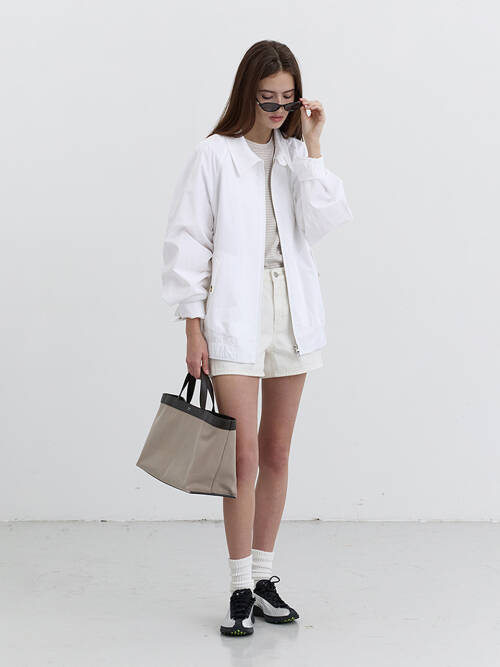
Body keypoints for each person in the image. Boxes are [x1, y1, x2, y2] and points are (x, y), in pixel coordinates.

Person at [162, 39, 353, 637]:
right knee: (240, 458)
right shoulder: (214, 155)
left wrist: (313, 146)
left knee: (275, 454)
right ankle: (240, 585)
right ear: (247, 92)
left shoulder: (295, 156)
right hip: (233, 314)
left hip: (292, 312)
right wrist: (192, 326)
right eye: (267, 98)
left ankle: (266, 577)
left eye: (287, 99)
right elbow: (188, 241)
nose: (277, 109)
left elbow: (324, 222)